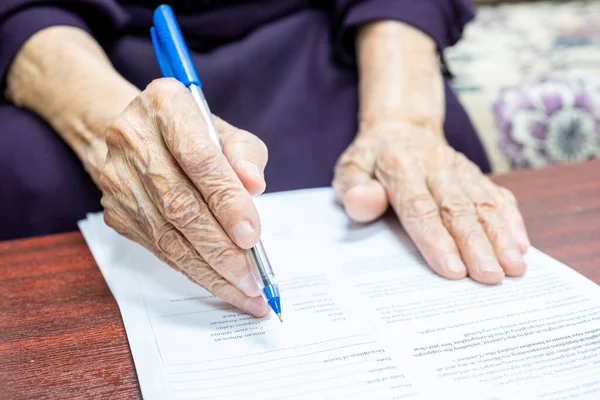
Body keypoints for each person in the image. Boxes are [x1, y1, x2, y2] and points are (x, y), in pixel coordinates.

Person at [0, 1, 530, 317]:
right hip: (78, 51)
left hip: (330, 40)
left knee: (426, 160)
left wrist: (403, 118)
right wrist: (104, 123)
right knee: (26, 171)